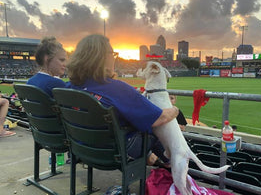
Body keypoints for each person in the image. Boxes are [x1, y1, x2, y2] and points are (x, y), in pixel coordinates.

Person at [66, 34, 179, 164]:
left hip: (82, 149)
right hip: (114, 153)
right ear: (102, 58)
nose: (114, 58)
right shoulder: (117, 89)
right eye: (113, 54)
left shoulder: (68, 88)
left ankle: (161, 162)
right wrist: (175, 110)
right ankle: (170, 164)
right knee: (153, 128)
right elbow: (160, 118)